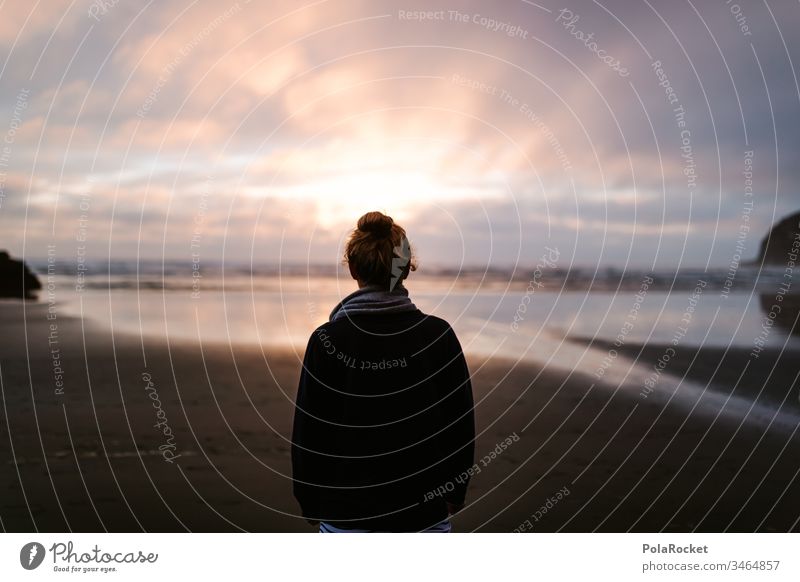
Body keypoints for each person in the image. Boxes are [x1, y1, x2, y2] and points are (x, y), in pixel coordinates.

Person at [291, 211, 475, 532]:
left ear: (352, 268)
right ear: (405, 268)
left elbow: (309, 432)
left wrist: (310, 502)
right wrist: (455, 492)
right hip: (423, 513)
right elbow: (459, 423)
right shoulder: (438, 335)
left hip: (345, 514)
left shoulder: (326, 340)